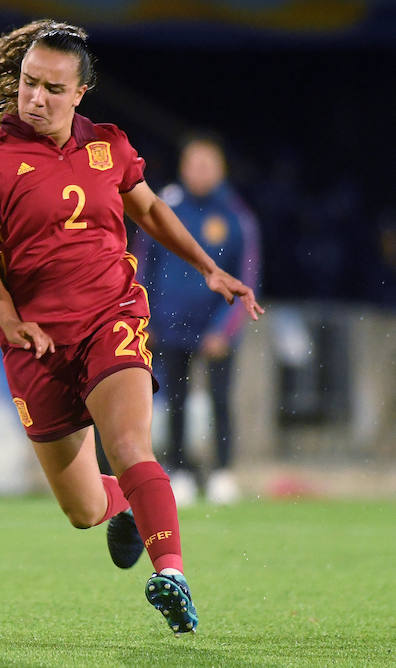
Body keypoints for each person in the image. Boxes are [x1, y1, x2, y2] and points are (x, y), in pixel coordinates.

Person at [0, 20, 263, 635]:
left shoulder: (110, 147)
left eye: (51, 88)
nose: (34, 98)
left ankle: (170, 573)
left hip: (110, 317)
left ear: (79, 94)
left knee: (129, 446)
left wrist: (209, 269)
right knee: (83, 508)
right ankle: (120, 505)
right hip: (34, 343)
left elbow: (147, 209)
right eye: (27, 84)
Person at [135, 135, 261, 506]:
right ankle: (180, 471)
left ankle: (222, 472)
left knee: (221, 400)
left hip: (216, 328)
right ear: (183, 167)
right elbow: (143, 267)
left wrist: (224, 329)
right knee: (175, 401)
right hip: (169, 326)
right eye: (194, 163)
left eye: (208, 164)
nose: (200, 171)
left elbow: (248, 277)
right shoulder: (163, 208)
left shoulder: (237, 216)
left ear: (220, 169)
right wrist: (146, 319)